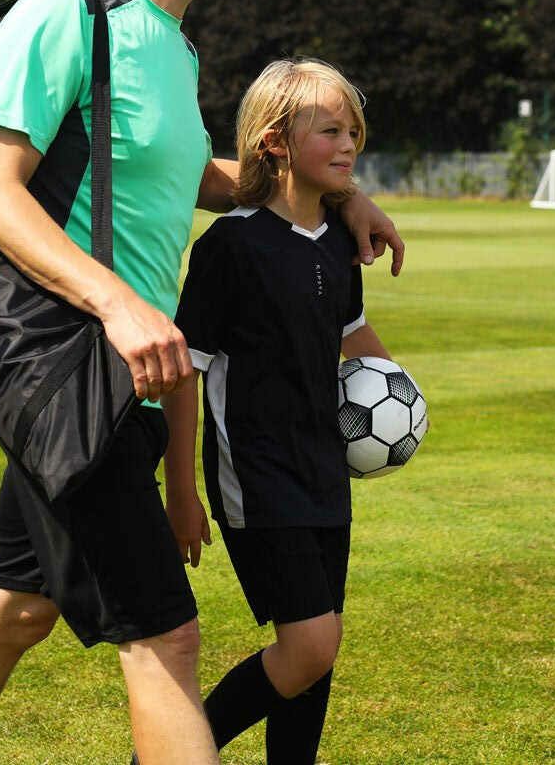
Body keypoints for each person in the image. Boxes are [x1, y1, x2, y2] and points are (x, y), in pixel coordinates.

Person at [0, 0, 404, 765]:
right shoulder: (68, 11)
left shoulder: (174, 47)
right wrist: (121, 304)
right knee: (167, 638)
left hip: (129, 381)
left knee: (16, 611)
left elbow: (192, 179)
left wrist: (341, 193)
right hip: (72, 369)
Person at [165, 58, 394, 763]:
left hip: (323, 469)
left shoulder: (338, 240)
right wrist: (180, 492)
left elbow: (353, 334)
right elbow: (186, 372)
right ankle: (167, 754)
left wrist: (401, 399)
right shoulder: (232, 246)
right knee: (311, 644)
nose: (348, 145)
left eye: (352, 131)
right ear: (274, 143)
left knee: (316, 651)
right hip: (257, 475)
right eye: (329, 131)